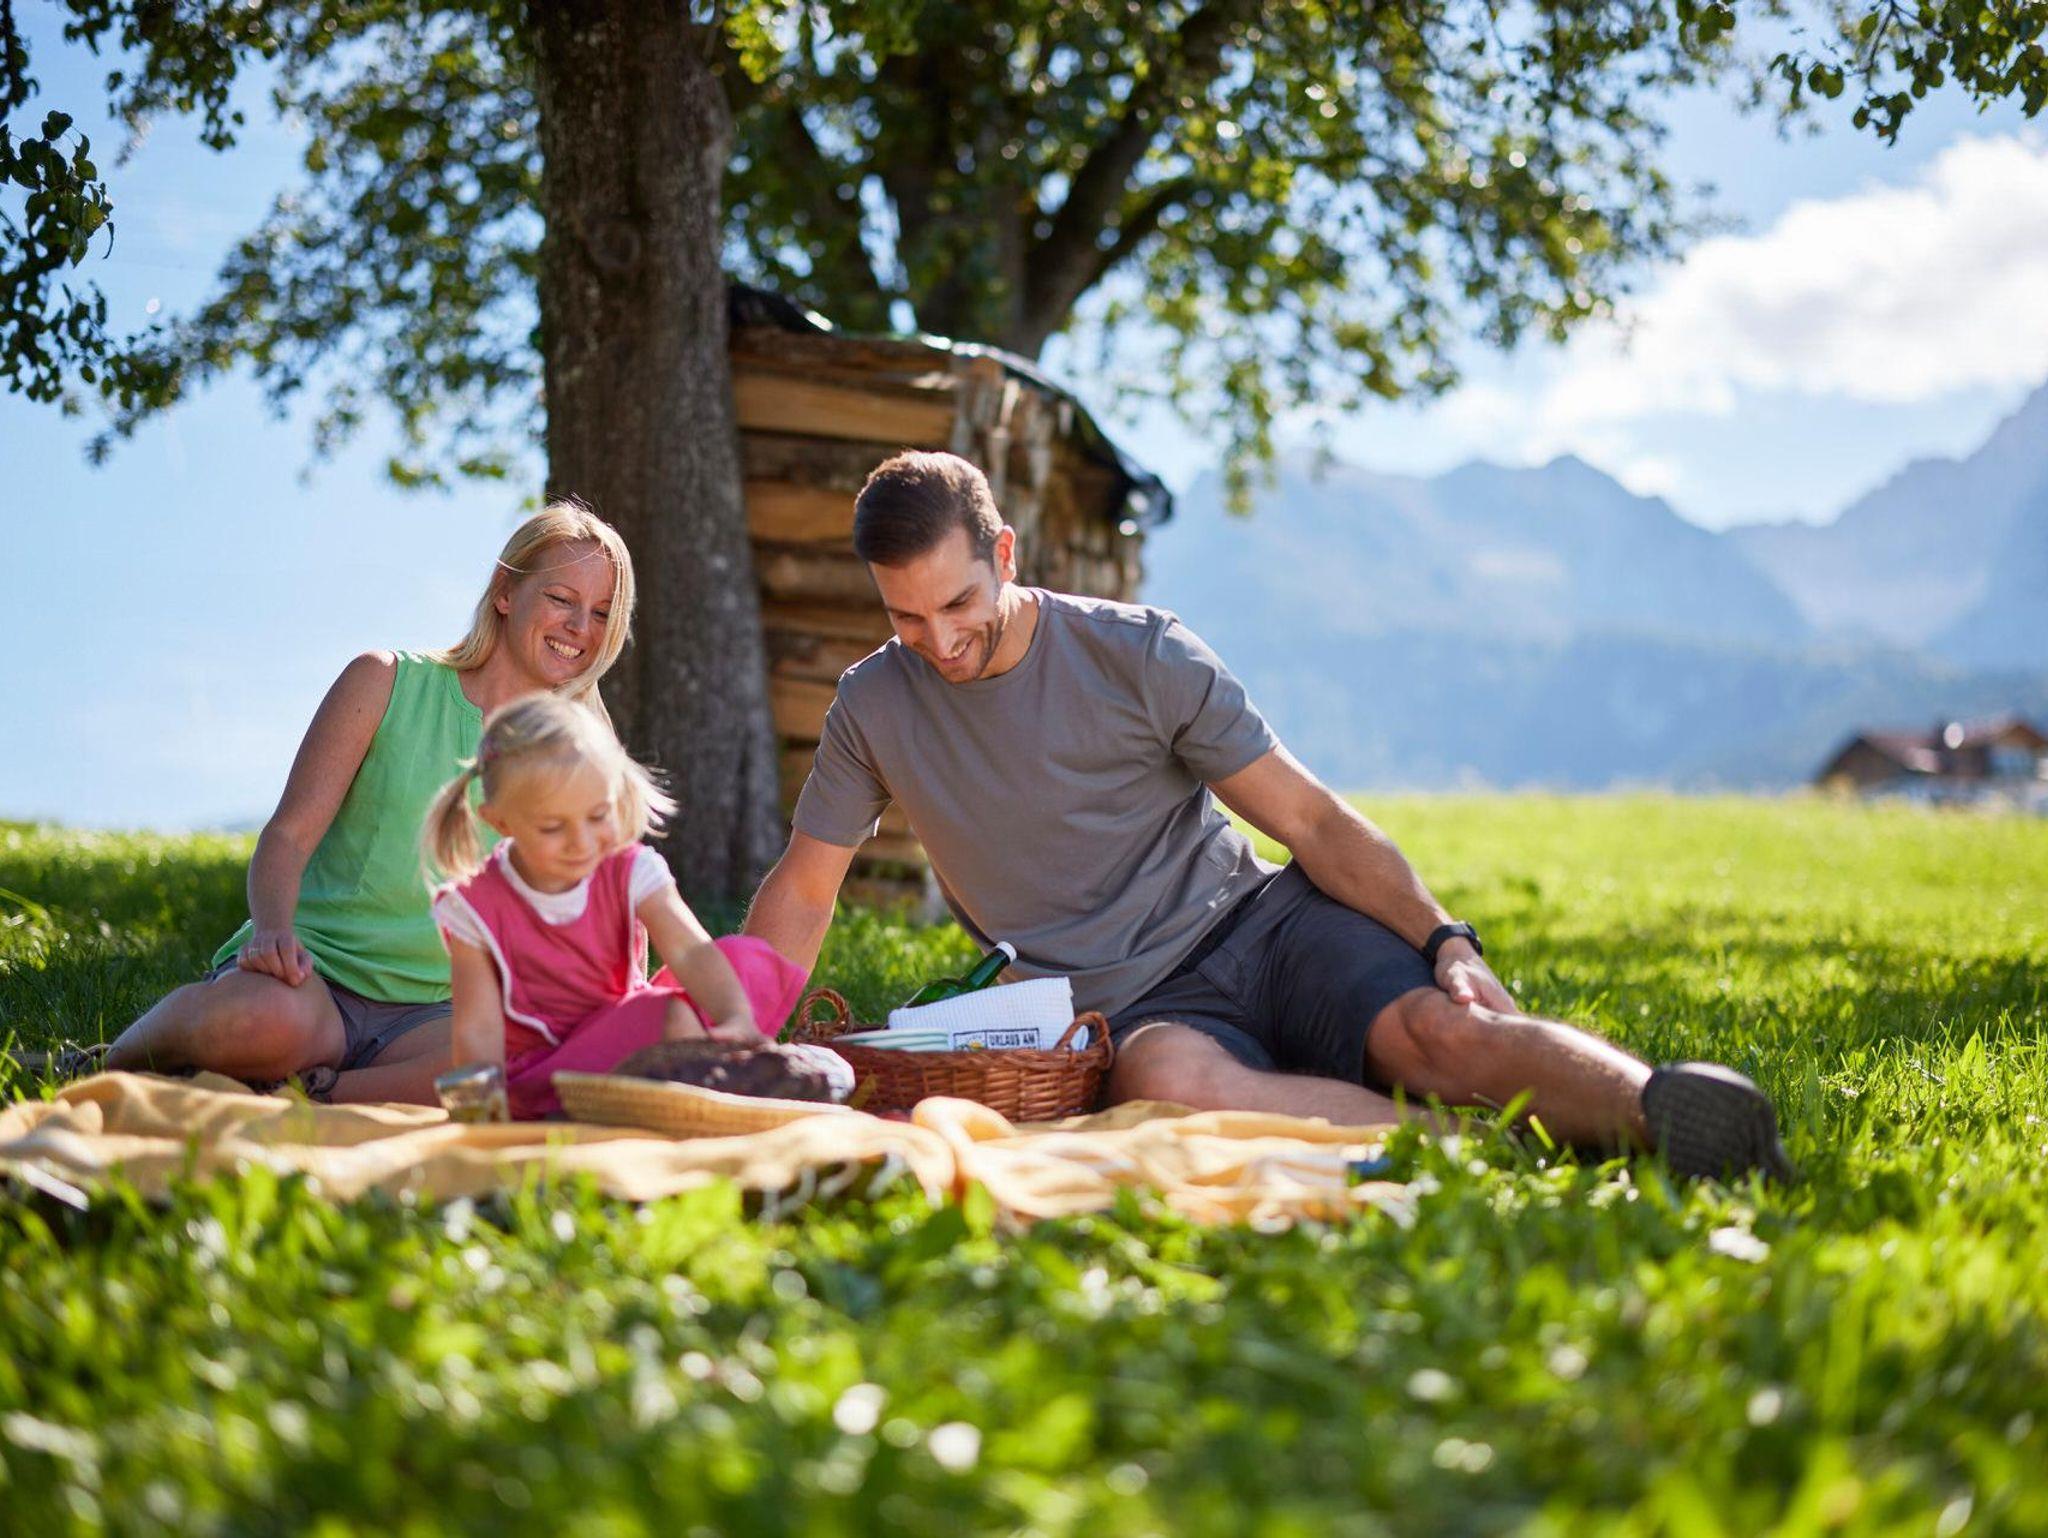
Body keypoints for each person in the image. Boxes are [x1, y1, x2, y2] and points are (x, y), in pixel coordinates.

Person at [744, 451, 1795, 1181]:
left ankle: (1667, 1115)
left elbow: (1313, 820)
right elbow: (804, 887)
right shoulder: (873, 705)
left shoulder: (1139, 652)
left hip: (1266, 927)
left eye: (958, 604)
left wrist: (1445, 937)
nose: (938, 641)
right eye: (906, 615)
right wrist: (733, 1037)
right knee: (1170, 1083)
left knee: (1435, 1033)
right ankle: (1486, 1153)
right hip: (1132, 1007)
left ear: (1005, 556)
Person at [95, 500, 638, 1104]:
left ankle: (311, 1095)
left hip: (440, 1014)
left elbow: (614, 896)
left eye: (601, 613)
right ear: (505, 591)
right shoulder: (383, 681)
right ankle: (107, 1060)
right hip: (316, 975)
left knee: (501, 1069)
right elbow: (288, 835)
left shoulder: (584, 752)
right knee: (261, 1025)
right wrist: (272, 932)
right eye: (562, 599)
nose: (580, 627)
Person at [423, 694, 806, 1120]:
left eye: (598, 816)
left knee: (741, 958)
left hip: (625, 1039)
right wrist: (483, 1113)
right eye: (553, 827)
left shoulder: (629, 868)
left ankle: (712, 1072)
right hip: (546, 1074)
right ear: (500, 822)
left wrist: (735, 1015)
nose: (582, 842)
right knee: (671, 1015)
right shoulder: (475, 907)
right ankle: (702, 1095)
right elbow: (477, 1027)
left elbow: (691, 952)